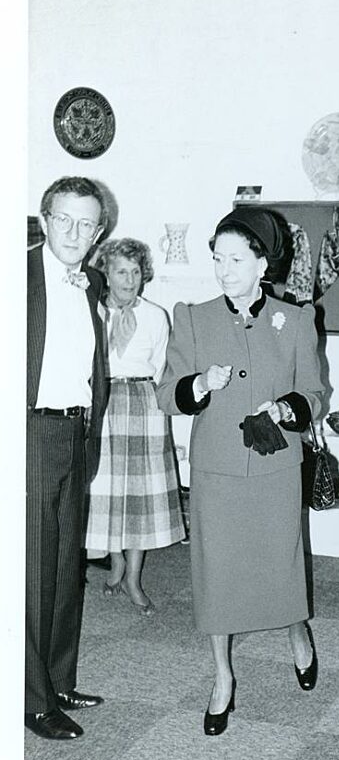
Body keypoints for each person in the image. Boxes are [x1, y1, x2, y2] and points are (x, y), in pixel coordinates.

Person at [156, 207, 324, 736]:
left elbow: (315, 396)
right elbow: (168, 394)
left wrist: (286, 408)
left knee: (280, 563)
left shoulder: (296, 319)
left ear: (262, 262)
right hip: (217, 471)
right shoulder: (192, 316)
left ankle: (297, 632)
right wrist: (200, 385)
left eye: (235, 259)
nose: (224, 269)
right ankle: (222, 676)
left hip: (275, 465)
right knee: (217, 573)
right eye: (217, 259)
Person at [26, 177, 109, 740]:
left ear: (100, 230)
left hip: (76, 433)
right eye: (64, 220)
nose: (74, 233)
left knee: (65, 568)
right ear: (44, 219)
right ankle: (31, 700)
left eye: (87, 223)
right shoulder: (20, 274)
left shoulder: (92, 281)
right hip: (29, 434)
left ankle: (58, 679)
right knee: (30, 572)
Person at [85, 238, 185, 614]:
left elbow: (161, 368)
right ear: (106, 274)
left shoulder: (156, 316)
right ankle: (116, 564)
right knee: (108, 490)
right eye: (121, 271)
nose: (129, 280)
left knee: (141, 494)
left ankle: (133, 577)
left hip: (143, 403)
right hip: (104, 402)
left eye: (135, 272)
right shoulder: (93, 312)